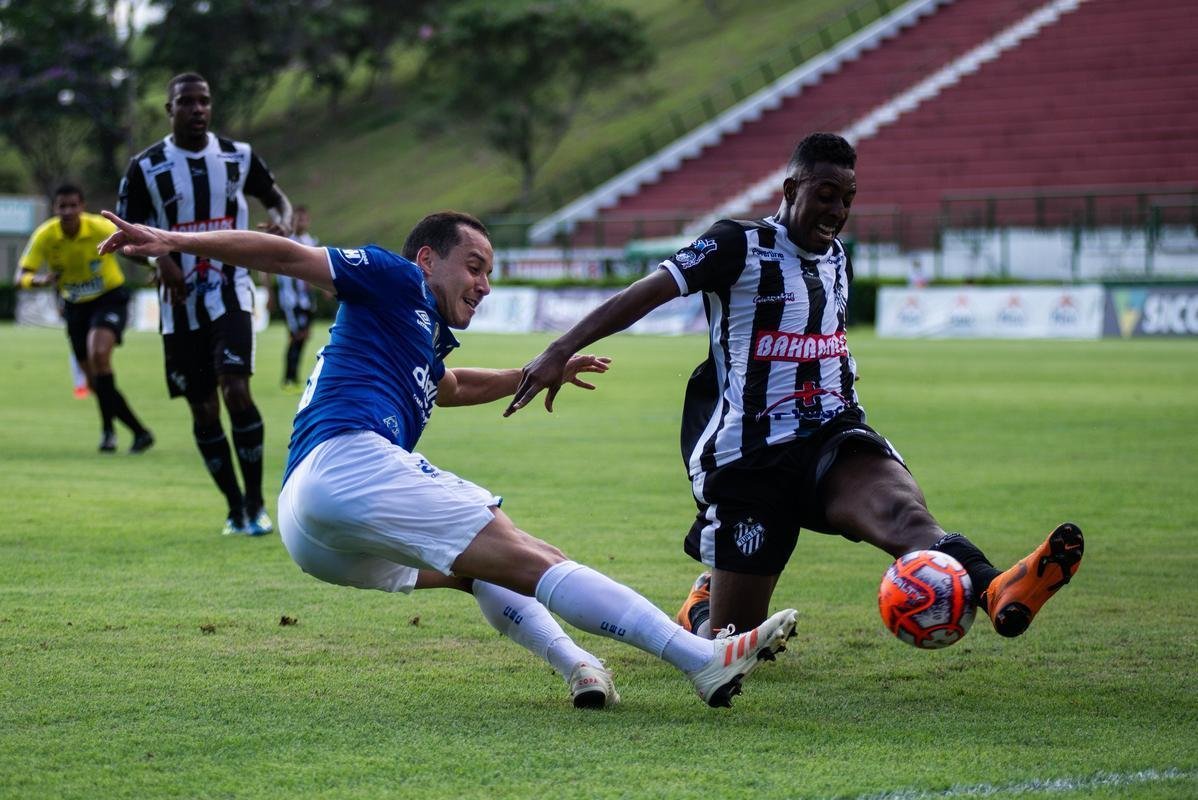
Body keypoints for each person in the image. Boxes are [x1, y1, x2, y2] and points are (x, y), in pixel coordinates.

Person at [97, 207, 799, 709]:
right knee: (532, 556)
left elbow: (451, 385)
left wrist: (535, 371)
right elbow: (286, 255)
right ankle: (699, 660)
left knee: (483, 569)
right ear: (428, 258)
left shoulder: (421, 335)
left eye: (490, 273)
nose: (484, 284)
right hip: (348, 465)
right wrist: (174, 239)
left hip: (309, 526)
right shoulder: (394, 276)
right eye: (475, 265)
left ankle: (581, 667)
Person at [504, 132, 1084, 641]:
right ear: (791, 188)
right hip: (752, 455)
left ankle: (995, 589)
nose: (837, 210)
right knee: (734, 641)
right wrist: (560, 349)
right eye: (826, 194)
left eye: (848, 199)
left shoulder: (838, 260)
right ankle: (703, 612)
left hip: (832, 434)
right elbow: (650, 291)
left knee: (906, 517)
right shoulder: (738, 244)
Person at [116, 72, 294, 536]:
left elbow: (279, 202)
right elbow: (125, 237)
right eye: (187, 102)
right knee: (202, 408)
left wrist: (282, 225)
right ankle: (234, 507)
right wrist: (159, 266)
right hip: (179, 305)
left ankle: (256, 504)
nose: (197, 109)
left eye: (204, 102)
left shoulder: (238, 156)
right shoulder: (146, 166)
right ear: (169, 109)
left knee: (236, 389)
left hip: (231, 289)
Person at [17, 184, 154, 454]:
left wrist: (156, 266)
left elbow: (135, 245)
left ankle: (118, 433)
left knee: (99, 354)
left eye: (73, 205)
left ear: (82, 206)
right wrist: (41, 280)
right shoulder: (46, 235)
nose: (68, 211)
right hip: (75, 308)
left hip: (109, 298)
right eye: (62, 206)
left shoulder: (99, 227)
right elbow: (19, 278)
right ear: (55, 209)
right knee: (94, 380)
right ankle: (128, 432)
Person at [278, 205, 318, 391]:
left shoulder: (310, 241)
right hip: (291, 299)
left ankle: (294, 377)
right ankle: (288, 379)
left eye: (303, 219)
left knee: (304, 336)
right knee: (295, 336)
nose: (300, 222)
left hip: (306, 299)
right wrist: (270, 291)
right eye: (297, 219)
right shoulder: (286, 241)